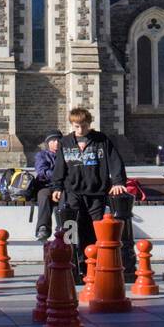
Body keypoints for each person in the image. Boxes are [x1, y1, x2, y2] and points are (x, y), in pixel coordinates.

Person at [51, 108, 127, 259]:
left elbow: (115, 161)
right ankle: (71, 260)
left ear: (89, 124)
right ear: (72, 124)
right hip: (72, 191)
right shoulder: (65, 142)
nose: (80, 129)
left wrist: (118, 182)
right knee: (70, 226)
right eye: (77, 126)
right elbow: (60, 166)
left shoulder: (101, 139)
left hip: (96, 192)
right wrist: (57, 187)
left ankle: (91, 261)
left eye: (84, 126)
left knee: (93, 228)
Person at [33, 131, 62, 241]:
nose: (56, 143)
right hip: (46, 185)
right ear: (48, 143)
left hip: (63, 186)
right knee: (44, 195)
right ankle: (43, 228)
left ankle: (64, 228)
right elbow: (41, 171)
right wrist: (58, 175)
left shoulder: (66, 154)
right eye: (53, 141)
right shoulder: (42, 155)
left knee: (67, 197)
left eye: (58, 140)